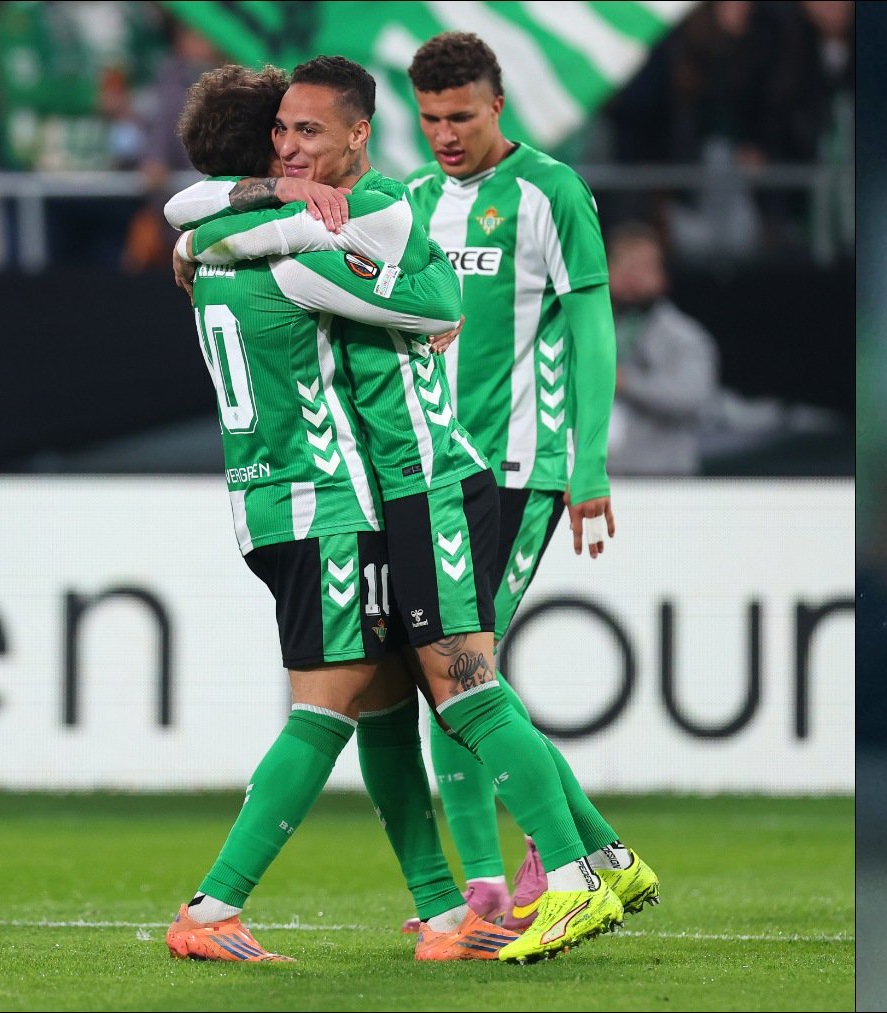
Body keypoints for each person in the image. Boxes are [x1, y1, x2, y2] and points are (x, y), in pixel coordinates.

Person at [165, 55, 628, 964]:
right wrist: (332, 241)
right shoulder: (303, 256)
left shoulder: (214, 247)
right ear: (262, 153)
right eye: (282, 133)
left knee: (387, 701)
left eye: (306, 132)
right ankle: (217, 905)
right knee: (399, 695)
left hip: (284, 503)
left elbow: (186, 226)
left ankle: (447, 912)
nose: (294, 147)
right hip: (345, 500)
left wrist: (239, 219)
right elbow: (439, 298)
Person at [390, 30, 658, 932]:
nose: (445, 135)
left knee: (458, 681)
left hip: (517, 468)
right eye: (430, 119)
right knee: (461, 682)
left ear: (496, 105)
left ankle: (502, 889)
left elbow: (592, 327)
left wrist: (587, 465)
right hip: (439, 471)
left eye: (460, 116)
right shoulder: (417, 201)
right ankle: (597, 860)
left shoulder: (551, 191)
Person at [606, 221, 721, 476]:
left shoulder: (685, 337)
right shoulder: (582, 331)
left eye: (642, 268)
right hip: (597, 480)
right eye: (623, 265)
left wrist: (626, 382)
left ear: (662, 276)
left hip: (663, 480)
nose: (631, 277)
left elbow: (694, 396)